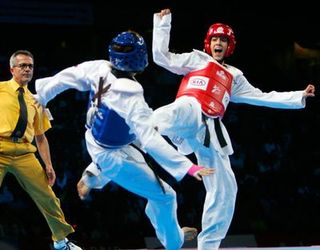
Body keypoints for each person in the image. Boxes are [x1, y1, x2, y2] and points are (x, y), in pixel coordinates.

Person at [152, 9, 316, 250]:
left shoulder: (234, 76)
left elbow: (262, 97)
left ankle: (208, 245)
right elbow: (161, 56)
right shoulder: (197, 59)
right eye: (215, 39)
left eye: (224, 40)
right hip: (189, 110)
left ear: (230, 46)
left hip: (212, 132)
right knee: (158, 119)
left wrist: (298, 96)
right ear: (209, 43)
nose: (219, 43)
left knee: (226, 188)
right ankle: (125, 136)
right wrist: (163, 23)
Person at [35, 30, 215, 249]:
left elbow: (66, 77)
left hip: (97, 137)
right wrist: (188, 167)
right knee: (166, 197)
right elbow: (150, 140)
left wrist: (41, 96)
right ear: (141, 58)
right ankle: (174, 242)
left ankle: (92, 175)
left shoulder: (99, 67)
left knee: (146, 128)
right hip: (112, 154)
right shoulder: (130, 93)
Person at [0, 50, 82, 250]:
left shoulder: (37, 100)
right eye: (22, 65)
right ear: (12, 69)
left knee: (48, 196)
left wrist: (49, 164)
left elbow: (41, 137)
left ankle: (61, 241)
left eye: (30, 66)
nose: (27, 69)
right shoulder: (0, 89)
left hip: (24, 153)